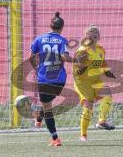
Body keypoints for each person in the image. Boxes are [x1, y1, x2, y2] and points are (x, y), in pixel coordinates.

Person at [29, 12, 86, 146]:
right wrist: (78, 60)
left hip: (44, 79)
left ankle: (55, 138)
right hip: (60, 80)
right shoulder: (62, 40)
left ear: (50, 26)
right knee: (47, 102)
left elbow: (31, 57)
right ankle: (38, 118)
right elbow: (65, 57)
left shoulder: (39, 39)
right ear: (61, 28)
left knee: (47, 106)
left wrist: (37, 69)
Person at [73, 25, 116, 141]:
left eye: (96, 35)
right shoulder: (82, 51)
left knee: (108, 94)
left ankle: (102, 121)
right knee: (88, 106)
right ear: (86, 37)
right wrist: (82, 68)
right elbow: (77, 70)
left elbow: (101, 63)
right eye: (91, 35)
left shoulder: (100, 49)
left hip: (96, 80)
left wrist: (107, 71)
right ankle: (83, 134)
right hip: (83, 82)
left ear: (99, 37)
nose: (93, 37)